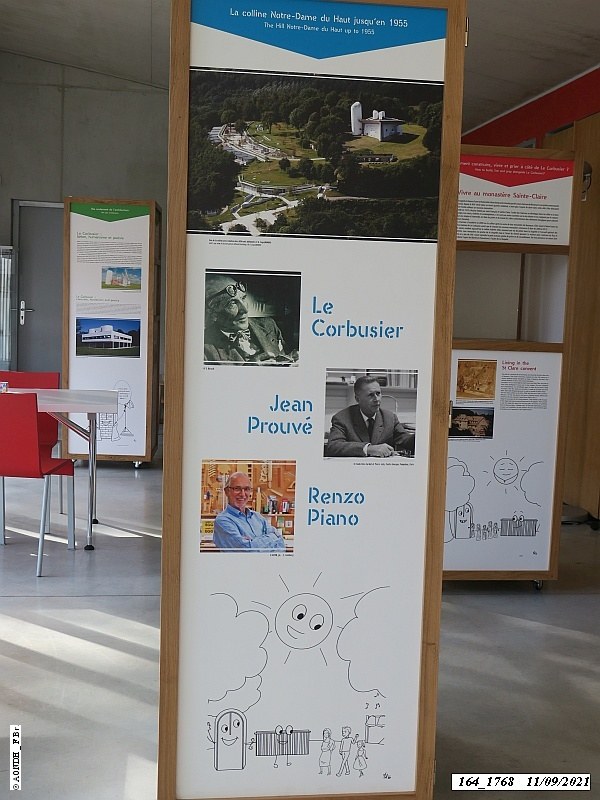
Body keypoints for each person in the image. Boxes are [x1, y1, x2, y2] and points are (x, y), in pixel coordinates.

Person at [204, 276, 297, 364]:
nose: (245, 310)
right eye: (232, 303)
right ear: (213, 313)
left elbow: (286, 355)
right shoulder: (204, 348)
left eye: (243, 298)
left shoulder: (269, 325)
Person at [325, 376, 415, 458]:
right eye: (371, 395)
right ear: (357, 399)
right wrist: (368, 449)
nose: (377, 399)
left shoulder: (390, 417)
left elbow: (405, 440)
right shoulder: (342, 418)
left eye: (378, 393)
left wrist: (418, 436)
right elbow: (333, 446)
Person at [213, 472, 286, 552]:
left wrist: (253, 543)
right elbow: (247, 551)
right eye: (237, 489)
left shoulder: (258, 517)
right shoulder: (222, 521)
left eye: (247, 489)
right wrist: (273, 537)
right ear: (227, 491)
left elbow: (281, 545)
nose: (243, 494)